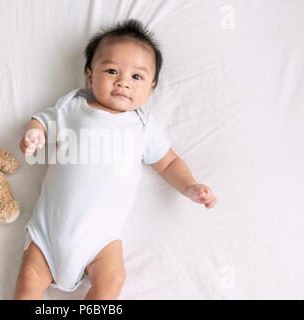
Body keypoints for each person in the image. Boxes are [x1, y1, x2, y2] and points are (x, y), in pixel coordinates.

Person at [14, 19, 217, 300]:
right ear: (89, 76)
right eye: (111, 71)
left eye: (137, 77)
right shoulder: (73, 106)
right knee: (27, 280)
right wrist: (34, 134)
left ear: (151, 87)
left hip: (101, 241)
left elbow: (169, 163)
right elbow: (42, 121)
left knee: (114, 278)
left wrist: (190, 186)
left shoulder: (142, 126)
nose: (122, 81)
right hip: (47, 234)